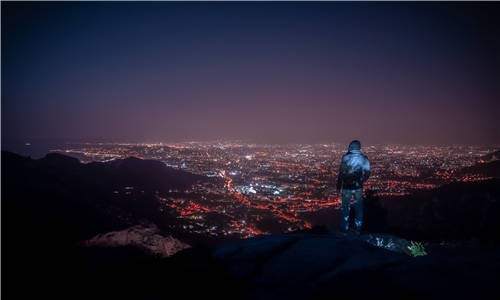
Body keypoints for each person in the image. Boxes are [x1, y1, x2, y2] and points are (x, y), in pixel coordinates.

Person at [336, 140, 371, 233]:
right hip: (358, 187)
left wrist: (338, 186)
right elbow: (367, 173)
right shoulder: (364, 158)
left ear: (350, 146)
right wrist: (361, 181)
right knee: (358, 208)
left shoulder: (346, 157)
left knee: (345, 207)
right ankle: (358, 228)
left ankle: (345, 227)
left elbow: (341, 173)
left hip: (346, 187)